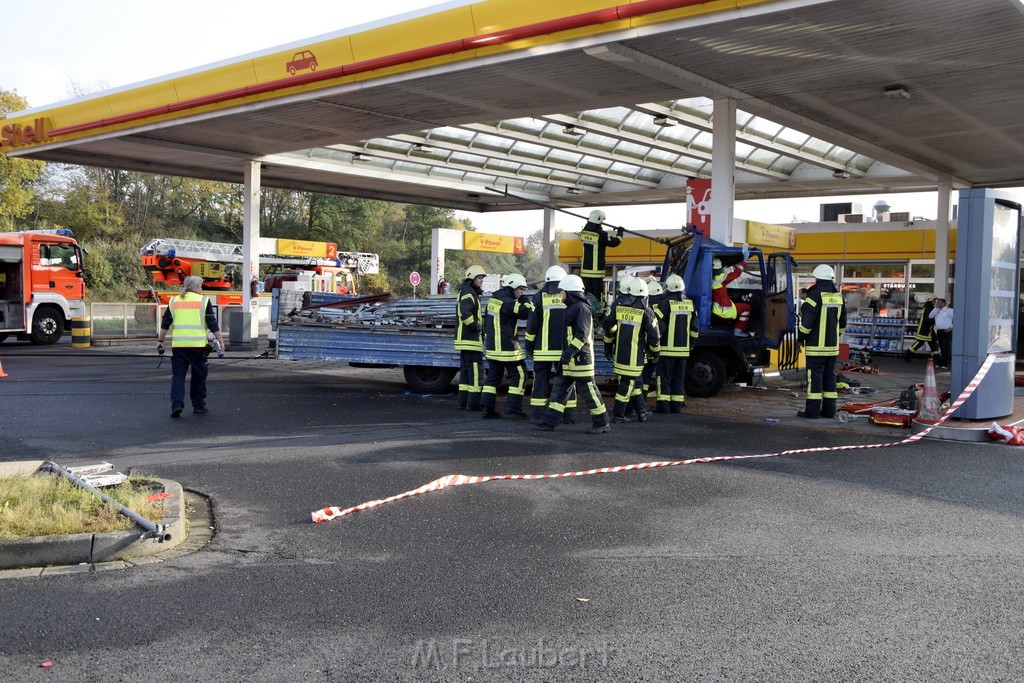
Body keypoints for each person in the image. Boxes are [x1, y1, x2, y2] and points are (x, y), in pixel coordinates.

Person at [535, 275, 611, 434]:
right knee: (559, 391)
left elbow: (581, 335)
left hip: (580, 358)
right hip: (571, 360)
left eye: (562, 291)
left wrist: (569, 351)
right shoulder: (573, 307)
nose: (560, 294)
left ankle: (601, 422)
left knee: (589, 392)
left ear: (570, 292)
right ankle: (549, 421)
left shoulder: (581, 308)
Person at [158, 275, 225, 418]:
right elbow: (212, 324)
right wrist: (221, 341)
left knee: (178, 377)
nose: (201, 289)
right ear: (195, 287)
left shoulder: (174, 301)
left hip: (179, 346)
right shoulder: (203, 301)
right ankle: (198, 406)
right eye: (200, 286)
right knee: (199, 377)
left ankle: (176, 404)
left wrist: (160, 340)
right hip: (198, 347)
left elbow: (165, 323)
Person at [603, 277, 660, 423]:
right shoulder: (646, 312)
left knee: (636, 384)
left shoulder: (619, 307)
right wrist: (655, 352)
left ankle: (641, 412)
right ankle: (618, 415)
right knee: (627, 386)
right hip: (635, 357)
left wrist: (611, 339)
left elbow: (607, 325)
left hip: (620, 354)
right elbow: (654, 337)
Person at [525, 265, 575, 422]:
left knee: (540, 381)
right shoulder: (569, 297)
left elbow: (532, 325)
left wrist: (529, 345)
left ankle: (538, 414)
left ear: (547, 280)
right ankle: (569, 415)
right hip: (564, 350)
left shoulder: (539, 297)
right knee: (566, 381)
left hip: (543, 350)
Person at [481, 273, 534, 419]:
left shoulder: (493, 300)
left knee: (493, 378)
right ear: (512, 288)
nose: (522, 292)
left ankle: (487, 408)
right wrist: (525, 299)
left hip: (493, 348)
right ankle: (513, 408)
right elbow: (527, 312)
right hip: (507, 348)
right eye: (520, 289)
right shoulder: (508, 302)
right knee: (520, 374)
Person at [797, 264, 847, 419]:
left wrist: (800, 339)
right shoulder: (838, 296)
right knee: (829, 377)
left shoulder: (814, 296)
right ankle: (829, 411)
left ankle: (811, 412)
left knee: (814, 378)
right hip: (832, 347)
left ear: (817, 278)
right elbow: (843, 323)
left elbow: (806, 324)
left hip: (816, 348)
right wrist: (834, 337)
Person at [654, 273, 699, 413]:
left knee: (664, 377)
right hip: (683, 350)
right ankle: (677, 405)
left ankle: (663, 406)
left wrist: (654, 344)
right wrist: (690, 344)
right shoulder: (689, 303)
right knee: (678, 378)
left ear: (668, 287)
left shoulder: (664, 303)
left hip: (667, 350)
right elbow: (695, 330)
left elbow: (660, 328)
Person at [579, 210, 623, 317]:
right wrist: (620, 232)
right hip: (596, 272)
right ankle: (597, 317)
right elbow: (615, 242)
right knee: (597, 296)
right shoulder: (601, 234)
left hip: (585, 272)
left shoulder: (584, 233)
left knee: (588, 295)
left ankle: (588, 314)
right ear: (599, 221)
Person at [454, 265, 486, 411]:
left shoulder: (468, 292)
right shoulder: (468, 293)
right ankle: (473, 403)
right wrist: (477, 327)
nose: (481, 281)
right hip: (470, 340)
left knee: (466, 374)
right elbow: (465, 314)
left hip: (466, 340)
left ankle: (463, 402)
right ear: (471, 278)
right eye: (479, 278)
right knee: (475, 373)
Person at [711, 258, 751, 336]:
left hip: (716, 309)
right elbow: (736, 274)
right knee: (747, 307)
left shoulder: (710, 280)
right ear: (719, 269)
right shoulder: (719, 280)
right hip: (724, 312)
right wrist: (743, 263)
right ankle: (738, 331)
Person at [904, 297, 939, 363]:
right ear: (931, 300)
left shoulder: (927, 307)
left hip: (928, 330)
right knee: (919, 344)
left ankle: (937, 359)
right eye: (935, 300)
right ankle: (906, 355)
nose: (936, 302)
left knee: (934, 345)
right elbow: (928, 319)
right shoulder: (929, 308)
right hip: (925, 330)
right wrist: (936, 321)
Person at [929, 298, 953, 368]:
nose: (937, 303)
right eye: (937, 302)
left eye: (939, 302)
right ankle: (941, 362)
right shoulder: (937, 311)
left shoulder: (949, 310)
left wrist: (950, 327)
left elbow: (956, 318)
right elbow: (930, 316)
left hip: (946, 331)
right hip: (939, 331)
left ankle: (945, 363)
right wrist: (935, 309)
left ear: (943, 303)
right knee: (941, 347)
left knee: (946, 347)